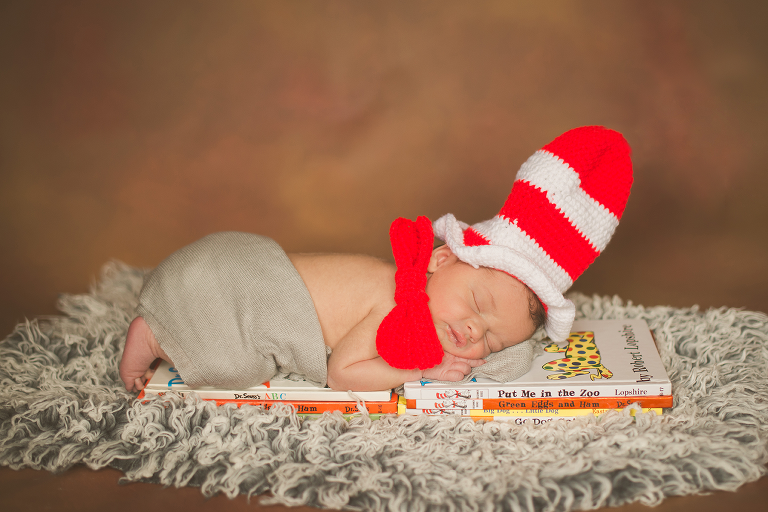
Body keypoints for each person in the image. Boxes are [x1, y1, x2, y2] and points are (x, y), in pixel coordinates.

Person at [119, 125, 633, 393]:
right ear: (441, 260)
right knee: (231, 366)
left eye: (493, 341)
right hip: (237, 283)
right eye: (478, 304)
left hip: (235, 259)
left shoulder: (413, 296)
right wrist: (419, 372)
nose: (474, 331)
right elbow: (344, 374)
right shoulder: (395, 302)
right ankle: (154, 334)